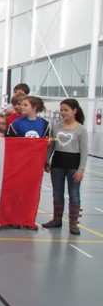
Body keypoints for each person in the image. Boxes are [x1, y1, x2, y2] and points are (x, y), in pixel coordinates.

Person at [42, 99, 88, 235]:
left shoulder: (81, 129)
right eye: (61, 110)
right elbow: (52, 146)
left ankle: (73, 224)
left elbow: (84, 151)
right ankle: (57, 219)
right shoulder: (55, 127)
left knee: (74, 194)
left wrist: (81, 169)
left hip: (73, 165)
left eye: (66, 110)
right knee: (57, 193)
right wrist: (47, 160)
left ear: (74, 111)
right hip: (58, 164)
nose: (63, 112)